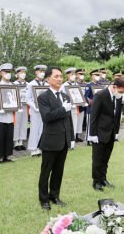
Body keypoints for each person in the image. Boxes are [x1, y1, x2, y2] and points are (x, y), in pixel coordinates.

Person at [37, 66, 75, 210]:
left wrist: (71, 138)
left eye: (60, 76)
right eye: (56, 76)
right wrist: (63, 109)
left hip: (63, 140)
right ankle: (44, 199)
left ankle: (55, 196)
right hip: (50, 141)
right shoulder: (43, 97)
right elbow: (47, 117)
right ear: (48, 79)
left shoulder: (65, 96)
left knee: (59, 171)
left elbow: (68, 120)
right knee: (46, 171)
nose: (60, 79)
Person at [89, 77, 124, 191]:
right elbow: (93, 116)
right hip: (99, 133)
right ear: (114, 87)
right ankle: (96, 182)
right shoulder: (100, 95)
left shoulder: (117, 96)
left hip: (111, 133)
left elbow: (117, 115)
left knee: (106, 159)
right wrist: (93, 134)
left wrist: (116, 132)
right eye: (122, 91)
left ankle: (103, 178)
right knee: (97, 159)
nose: (123, 93)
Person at [0, 63, 19, 164]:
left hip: (10, 116)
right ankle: (0, 157)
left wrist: (17, 107)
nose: (8, 74)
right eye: (6, 72)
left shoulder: (13, 86)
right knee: (0, 137)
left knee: (9, 136)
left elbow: (15, 100)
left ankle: (7, 156)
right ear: (1, 73)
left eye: (9, 72)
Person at [27, 64, 47, 156]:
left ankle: (39, 147)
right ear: (36, 72)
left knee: (42, 129)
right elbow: (28, 99)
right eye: (40, 71)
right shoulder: (31, 84)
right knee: (34, 130)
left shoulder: (46, 84)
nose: (42, 73)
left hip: (44, 111)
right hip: (35, 111)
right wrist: (35, 106)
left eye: (43, 71)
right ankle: (32, 149)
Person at [61, 67, 82, 149]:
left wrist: (81, 102)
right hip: (68, 109)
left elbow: (79, 95)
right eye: (72, 74)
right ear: (67, 75)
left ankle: (72, 144)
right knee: (69, 125)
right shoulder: (64, 85)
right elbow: (63, 98)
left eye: (74, 74)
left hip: (76, 108)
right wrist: (70, 103)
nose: (73, 75)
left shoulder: (76, 85)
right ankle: (68, 142)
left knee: (75, 125)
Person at [84, 69, 102, 144]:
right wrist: (89, 101)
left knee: (96, 123)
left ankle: (94, 137)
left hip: (98, 108)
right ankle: (88, 139)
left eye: (98, 75)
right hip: (91, 107)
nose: (97, 76)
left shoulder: (99, 85)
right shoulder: (89, 85)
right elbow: (85, 96)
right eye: (96, 75)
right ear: (92, 76)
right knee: (90, 124)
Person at [13, 66, 28, 151]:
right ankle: (16, 142)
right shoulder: (14, 84)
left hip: (25, 106)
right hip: (17, 107)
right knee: (17, 123)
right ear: (17, 74)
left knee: (24, 123)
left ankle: (21, 141)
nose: (23, 74)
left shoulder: (28, 84)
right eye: (21, 72)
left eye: (24, 72)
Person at [75, 68, 88, 142]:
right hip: (76, 105)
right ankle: (74, 136)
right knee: (75, 120)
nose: (82, 75)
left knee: (80, 120)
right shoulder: (74, 84)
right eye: (80, 74)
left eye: (83, 74)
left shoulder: (85, 84)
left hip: (83, 104)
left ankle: (78, 135)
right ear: (77, 75)